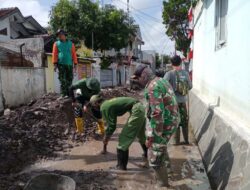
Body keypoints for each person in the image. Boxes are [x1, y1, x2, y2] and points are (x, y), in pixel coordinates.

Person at [132, 65, 180, 187]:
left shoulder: (152, 87)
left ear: (143, 76)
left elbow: (157, 114)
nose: (137, 81)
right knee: (161, 147)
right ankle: (169, 172)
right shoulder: (161, 80)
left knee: (155, 157)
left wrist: (152, 136)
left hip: (164, 124)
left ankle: (163, 185)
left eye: (137, 78)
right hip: (172, 119)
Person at [89, 95, 148, 171]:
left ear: (97, 103)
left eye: (93, 105)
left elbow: (112, 126)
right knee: (141, 135)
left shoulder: (104, 107)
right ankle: (147, 155)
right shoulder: (107, 103)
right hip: (139, 108)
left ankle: (121, 167)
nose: (94, 108)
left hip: (136, 110)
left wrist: (106, 136)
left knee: (123, 139)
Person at [164, 55, 192, 145]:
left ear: (172, 64)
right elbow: (190, 86)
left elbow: (163, 86)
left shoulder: (169, 74)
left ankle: (176, 142)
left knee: (175, 122)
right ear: (181, 62)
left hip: (173, 103)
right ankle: (186, 141)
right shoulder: (186, 73)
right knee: (184, 122)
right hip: (183, 102)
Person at [52, 29, 78, 96]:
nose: (60, 36)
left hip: (69, 64)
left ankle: (69, 94)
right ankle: (63, 94)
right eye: (58, 35)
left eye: (61, 35)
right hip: (61, 64)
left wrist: (75, 64)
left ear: (65, 35)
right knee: (62, 79)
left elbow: (74, 54)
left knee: (69, 79)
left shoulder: (71, 44)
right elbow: (54, 54)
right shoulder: (56, 44)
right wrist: (55, 64)